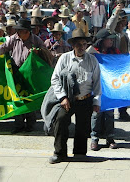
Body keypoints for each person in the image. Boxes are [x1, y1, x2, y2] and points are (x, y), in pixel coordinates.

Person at [45, 29, 101, 163]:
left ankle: (80, 153)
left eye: (84, 44)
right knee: (61, 121)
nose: (81, 47)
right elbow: (55, 79)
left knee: (83, 127)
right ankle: (59, 153)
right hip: (68, 99)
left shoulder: (92, 61)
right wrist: (63, 97)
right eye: (78, 44)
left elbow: (97, 83)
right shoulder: (64, 58)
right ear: (73, 45)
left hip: (85, 99)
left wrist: (96, 102)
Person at [0, 19, 46, 133]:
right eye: (18, 31)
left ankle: (30, 124)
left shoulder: (36, 40)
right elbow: (5, 46)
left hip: (30, 74)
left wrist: (38, 52)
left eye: (20, 31)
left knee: (29, 99)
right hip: (16, 72)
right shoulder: (14, 38)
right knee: (17, 98)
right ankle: (19, 124)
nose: (18, 33)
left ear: (26, 31)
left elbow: (46, 53)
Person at [90, 28, 120, 151]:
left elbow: (122, 62)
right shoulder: (92, 52)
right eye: (109, 39)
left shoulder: (114, 51)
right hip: (96, 87)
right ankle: (94, 138)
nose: (111, 41)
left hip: (110, 87)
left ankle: (110, 138)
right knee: (96, 113)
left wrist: (129, 55)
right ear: (102, 41)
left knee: (109, 113)